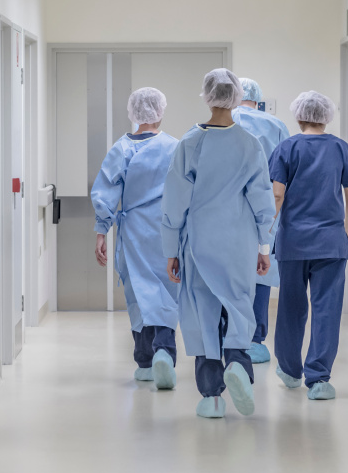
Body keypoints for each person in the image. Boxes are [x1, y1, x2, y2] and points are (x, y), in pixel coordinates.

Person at [161, 68, 276, 418]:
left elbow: (174, 203)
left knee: (202, 314)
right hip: (239, 244)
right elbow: (263, 202)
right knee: (239, 305)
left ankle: (211, 396)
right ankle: (238, 362)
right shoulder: (249, 144)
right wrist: (263, 247)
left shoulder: (189, 144)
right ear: (238, 96)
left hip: (198, 244)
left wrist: (171, 251)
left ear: (208, 96)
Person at [269, 91, 348, 400]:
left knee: (290, 307)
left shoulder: (287, 148)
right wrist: (344, 233)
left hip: (294, 242)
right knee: (327, 309)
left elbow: (277, 196)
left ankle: (289, 369)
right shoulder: (340, 148)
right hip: (331, 244)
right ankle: (319, 379)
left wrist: (265, 235)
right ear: (327, 117)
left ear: (298, 117)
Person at [92, 87, 182, 390]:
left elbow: (105, 193)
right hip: (167, 229)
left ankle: (145, 361)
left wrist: (101, 231)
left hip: (133, 231)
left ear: (134, 113)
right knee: (167, 291)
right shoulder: (175, 147)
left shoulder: (122, 148)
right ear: (160, 111)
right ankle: (165, 353)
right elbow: (187, 191)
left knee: (139, 293)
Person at [234, 78, 291, 364]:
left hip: (225, 212)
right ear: (258, 100)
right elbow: (286, 174)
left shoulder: (222, 122)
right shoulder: (276, 126)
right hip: (268, 209)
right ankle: (255, 341)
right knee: (261, 268)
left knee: (227, 275)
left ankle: (229, 338)